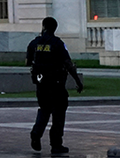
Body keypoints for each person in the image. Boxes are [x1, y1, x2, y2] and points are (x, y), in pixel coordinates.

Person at [26, 17, 83, 155]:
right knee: (58, 114)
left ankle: (36, 133)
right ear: (55, 28)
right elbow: (68, 64)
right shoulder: (57, 44)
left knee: (44, 109)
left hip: (41, 84)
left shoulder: (34, 43)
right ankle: (56, 144)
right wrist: (78, 81)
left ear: (43, 26)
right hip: (56, 84)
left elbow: (28, 62)